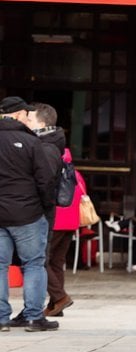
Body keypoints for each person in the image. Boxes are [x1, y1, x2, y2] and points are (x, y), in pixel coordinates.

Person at [0, 96, 60, 332]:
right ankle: (34, 317)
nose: (28, 117)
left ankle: (2, 318)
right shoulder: (30, 141)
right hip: (27, 213)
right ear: (17, 115)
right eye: (26, 113)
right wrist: (45, 206)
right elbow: (45, 179)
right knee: (34, 264)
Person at [28, 102, 84, 317]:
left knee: (40, 260)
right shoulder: (66, 158)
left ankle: (60, 297)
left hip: (57, 215)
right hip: (71, 217)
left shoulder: (45, 152)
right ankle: (55, 304)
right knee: (56, 261)